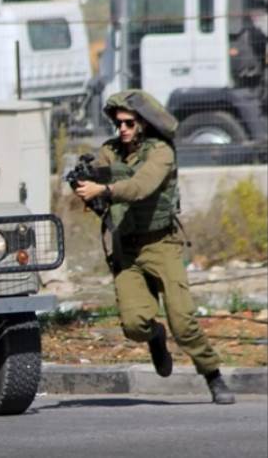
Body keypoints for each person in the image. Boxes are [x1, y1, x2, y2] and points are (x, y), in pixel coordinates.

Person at [74, 90, 235, 405]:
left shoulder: (161, 152)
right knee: (135, 325)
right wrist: (84, 178)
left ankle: (213, 375)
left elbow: (139, 187)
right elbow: (97, 168)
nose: (122, 129)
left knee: (184, 322)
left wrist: (104, 188)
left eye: (129, 123)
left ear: (143, 124)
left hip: (161, 244)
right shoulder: (111, 151)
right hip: (126, 249)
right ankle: (155, 337)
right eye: (118, 123)